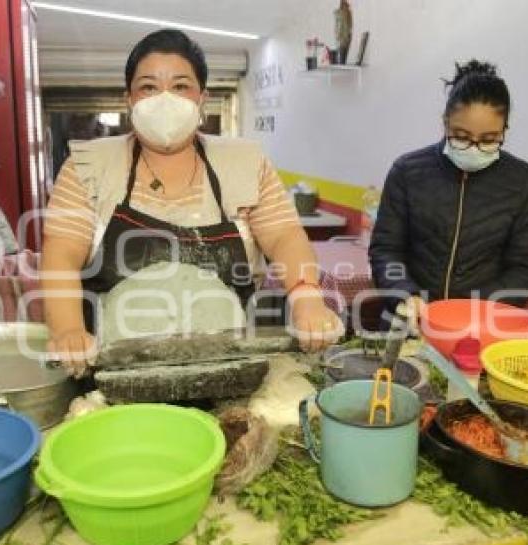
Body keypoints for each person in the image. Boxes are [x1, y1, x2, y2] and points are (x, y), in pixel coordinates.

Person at [42, 29, 342, 374]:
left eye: (181, 86)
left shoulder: (244, 163)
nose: (165, 99)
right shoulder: (89, 166)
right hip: (112, 369)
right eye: (149, 87)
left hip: (225, 365)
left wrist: (307, 300)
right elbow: (61, 253)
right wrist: (68, 330)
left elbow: (284, 236)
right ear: (129, 98)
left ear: (202, 98)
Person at [368, 60, 528, 324]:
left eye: (488, 140)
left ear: (504, 131)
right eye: (461, 136)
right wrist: (405, 294)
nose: (474, 148)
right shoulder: (408, 171)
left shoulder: (522, 182)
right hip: (408, 323)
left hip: (478, 329)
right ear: (445, 122)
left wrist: (473, 310)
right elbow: (386, 250)